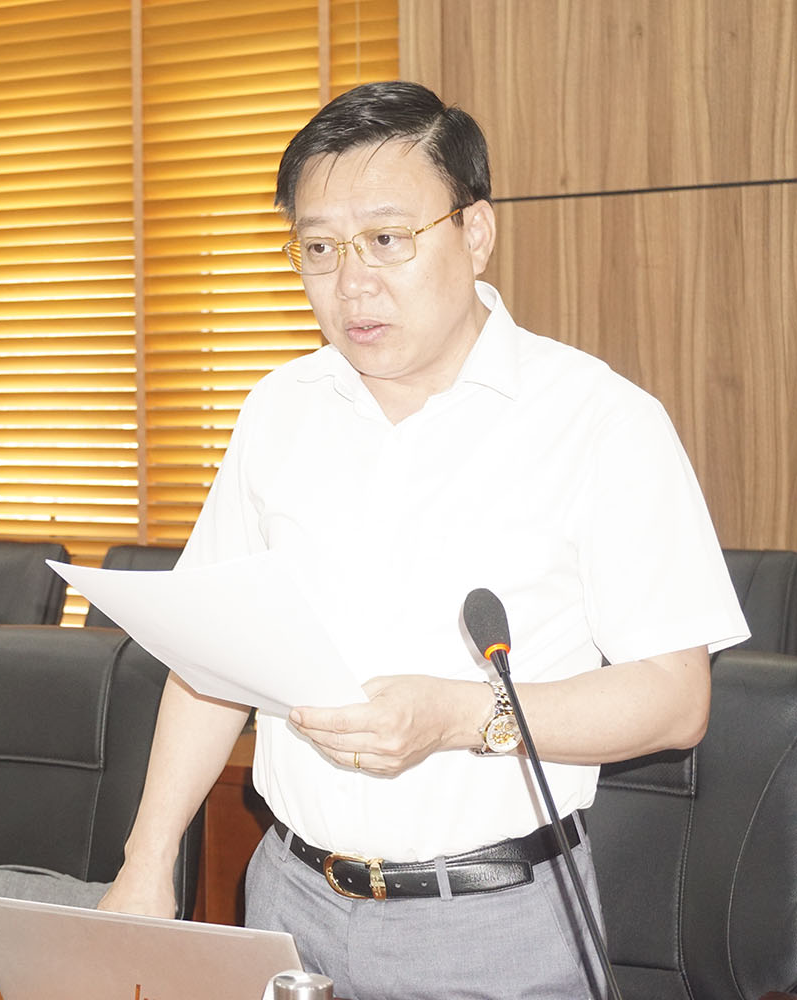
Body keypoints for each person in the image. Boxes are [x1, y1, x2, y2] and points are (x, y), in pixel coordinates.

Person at [97, 81, 749, 999]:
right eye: (318, 248)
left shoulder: (601, 421)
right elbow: (211, 663)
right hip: (287, 898)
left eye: (387, 239)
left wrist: (459, 717)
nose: (351, 282)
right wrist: (146, 860)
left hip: (493, 919)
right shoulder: (279, 410)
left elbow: (676, 700)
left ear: (474, 233)